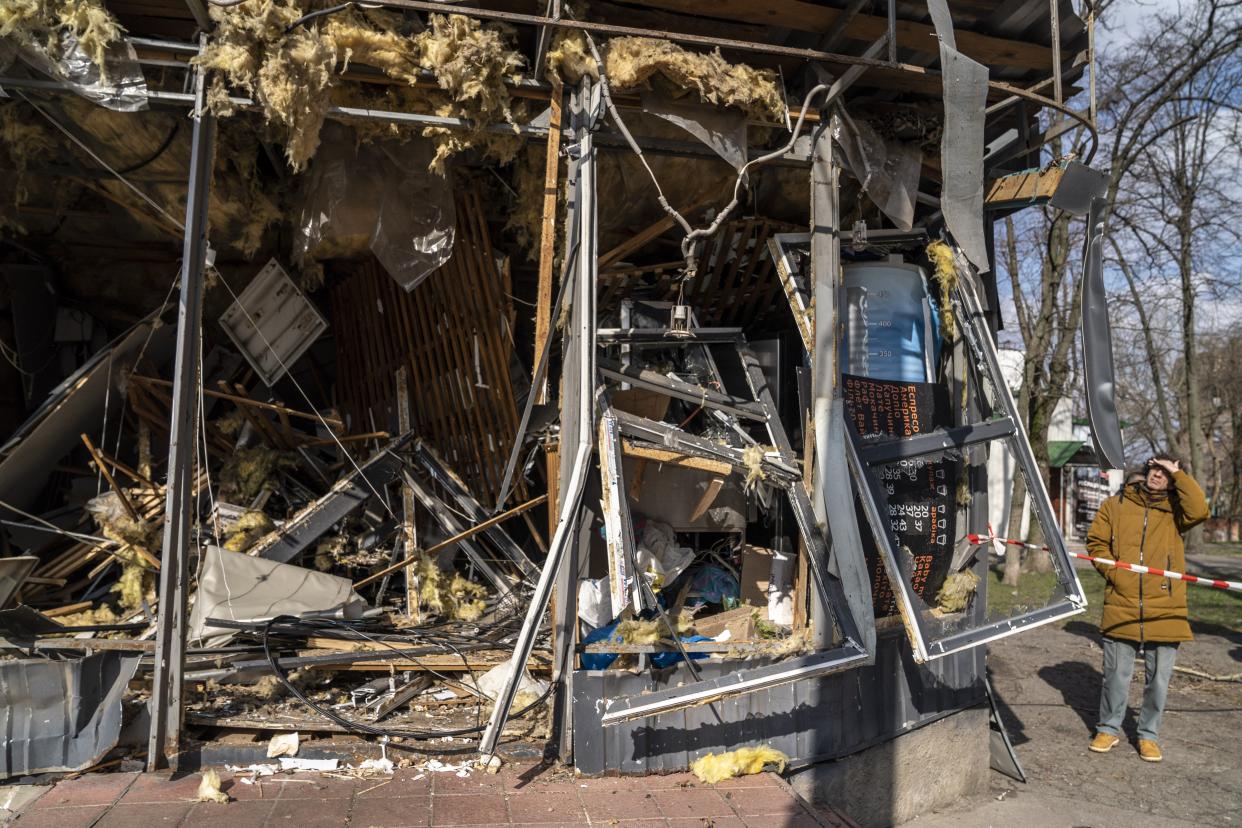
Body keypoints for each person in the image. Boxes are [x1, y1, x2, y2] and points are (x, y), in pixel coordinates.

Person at [1085, 453, 1208, 762]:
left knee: (1159, 679)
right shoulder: (1116, 505)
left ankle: (1148, 735)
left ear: (1172, 479)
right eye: (1156, 468)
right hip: (1121, 602)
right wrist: (1116, 575)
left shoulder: (1177, 511)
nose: (1159, 475)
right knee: (1115, 674)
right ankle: (1109, 729)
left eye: (1166, 472)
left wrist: (1179, 474)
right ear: (1147, 470)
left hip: (1166, 606)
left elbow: (1201, 510)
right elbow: (1096, 544)